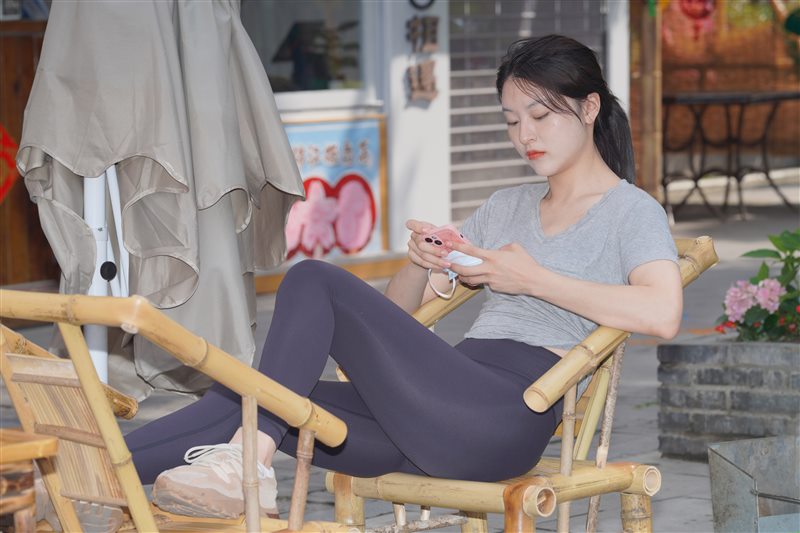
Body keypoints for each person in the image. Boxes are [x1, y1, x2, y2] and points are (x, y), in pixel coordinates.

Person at [124, 34, 683, 519]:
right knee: (248, 392)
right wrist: (420, 262)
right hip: (432, 409)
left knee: (313, 278)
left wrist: (534, 278)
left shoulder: (631, 211)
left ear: (589, 108)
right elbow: (394, 324)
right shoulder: (506, 206)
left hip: (504, 416)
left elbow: (663, 312)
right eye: (512, 121)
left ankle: (249, 465)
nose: (524, 136)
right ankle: (105, 472)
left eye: (540, 116)